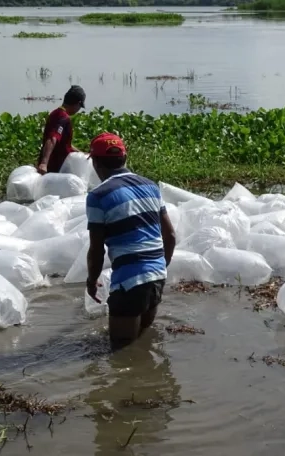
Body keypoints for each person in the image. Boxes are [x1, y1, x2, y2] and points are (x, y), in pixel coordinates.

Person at [85, 132, 177, 350]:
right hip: (157, 277)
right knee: (140, 345)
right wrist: (157, 268)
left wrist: (91, 281)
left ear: (96, 163)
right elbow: (171, 236)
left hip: (129, 283)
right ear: (125, 158)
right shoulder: (150, 186)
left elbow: (96, 249)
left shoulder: (98, 196)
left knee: (119, 354)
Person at [36, 85, 85, 175]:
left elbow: (65, 144)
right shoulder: (62, 117)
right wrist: (44, 163)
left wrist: (82, 154)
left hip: (60, 168)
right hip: (55, 169)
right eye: (80, 106)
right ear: (78, 103)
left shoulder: (56, 113)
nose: (78, 110)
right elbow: (52, 138)